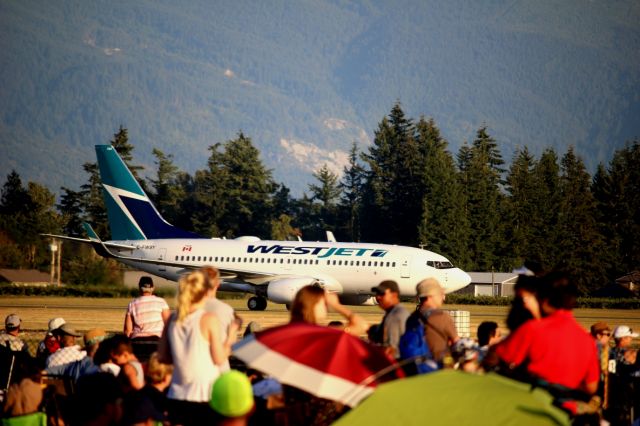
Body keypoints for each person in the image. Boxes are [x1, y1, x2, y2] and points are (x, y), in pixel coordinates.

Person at [493, 272, 599, 398]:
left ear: (544, 299)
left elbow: (497, 358)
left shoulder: (532, 329)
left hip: (532, 400)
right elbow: (591, 387)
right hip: (566, 408)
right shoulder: (587, 340)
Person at [157, 269, 240, 426]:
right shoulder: (208, 319)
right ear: (206, 291)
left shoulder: (173, 318)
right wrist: (232, 335)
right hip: (204, 394)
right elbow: (219, 358)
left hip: (176, 392)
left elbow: (163, 357)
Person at [410, 278, 459, 365]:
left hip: (414, 367)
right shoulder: (442, 317)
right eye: (440, 294)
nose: (443, 297)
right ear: (430, 296)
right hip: (436, 368)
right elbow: (457, 343)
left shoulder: (412, 317)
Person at [290, 285, 369, 336]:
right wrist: (336, 305)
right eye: (324, 303)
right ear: (314, 305)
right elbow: (362, 326)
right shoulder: (319, 334)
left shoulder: (280, 332)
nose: (326, 307)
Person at [124, 276, 171, 361]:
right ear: (153, 288)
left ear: (139, 287)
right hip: (156, 342)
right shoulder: (161, 302)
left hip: (137, 342)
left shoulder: (132, 304)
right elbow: (168, 324)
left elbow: (128, 331)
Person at [203, 265, 238, 372]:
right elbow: (219, 358)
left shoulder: (176, 314)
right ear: (217, 284)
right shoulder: (223, 310)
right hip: (214, 375)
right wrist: (233, 332)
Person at [606, 325, 639, 425]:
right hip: (624, 393)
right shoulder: (630, 354)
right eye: (629, 337)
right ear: (622, 339)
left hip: (609, 392)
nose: (631, 339)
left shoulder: (608, 352)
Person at [370, 280, 410, 359]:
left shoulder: (394, 316)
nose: (378, 297)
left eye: (382, 294)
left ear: (394, 295)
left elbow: (390, 350)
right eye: (377, 294)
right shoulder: (400, 312)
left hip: (395, 365)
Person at [589, 321, 611, 410]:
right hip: (595, 387)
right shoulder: (598, 348)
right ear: (598, 335)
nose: (609, 337)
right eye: (608, 334)